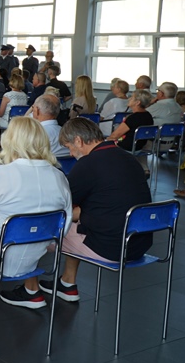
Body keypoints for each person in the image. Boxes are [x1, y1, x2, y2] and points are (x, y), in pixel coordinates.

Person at [9, 118, 152, 305]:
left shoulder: (88, 164)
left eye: (69, 147)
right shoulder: (128, 157)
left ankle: (31, 291)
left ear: (78, 140)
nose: (70, 153)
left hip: (112, 247)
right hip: (138, 243)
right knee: (77, 221)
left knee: (35, 228)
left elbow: (61, 208)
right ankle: (67, 283)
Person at [0, 118, 71, 308]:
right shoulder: (59, 177)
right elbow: (63, 228)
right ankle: (31, 290)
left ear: (10, 140)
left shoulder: (2, 173)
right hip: (33, 261)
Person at [0, 73, 28, 146]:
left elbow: (0, 113)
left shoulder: (7, 95)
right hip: (19, 122)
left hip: (8, 121)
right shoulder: (24, 96)